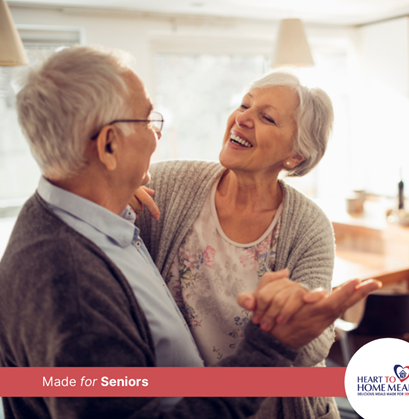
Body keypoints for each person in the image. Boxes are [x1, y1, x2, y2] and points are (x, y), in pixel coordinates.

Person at [0, 45, 380, 419]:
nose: (157, 134)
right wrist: (270, 342)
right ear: (109, 147)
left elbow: (310, 339)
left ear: (295, 155)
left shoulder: (99, 220)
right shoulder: (76, 277)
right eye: (147, 120)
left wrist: (114, 193)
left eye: (267, 117)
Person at [133, 69, 341, 418]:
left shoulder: (309, 226)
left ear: (294, 156)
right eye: (245, 105)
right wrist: (114, 198)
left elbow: (314, 349)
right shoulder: (168, 184)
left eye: (267, 117)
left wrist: (292, 320)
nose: (242, 118)